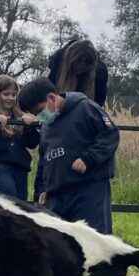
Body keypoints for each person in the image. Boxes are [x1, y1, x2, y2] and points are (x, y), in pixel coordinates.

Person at [19, 76, 119, 235]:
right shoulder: (46, 126)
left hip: (89, 190)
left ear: (52, 97)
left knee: (94, 240)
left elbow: (110, 135)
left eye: (39, 111)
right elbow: (44, 161)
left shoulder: (85, 108)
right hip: (58, 196)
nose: (40, 116)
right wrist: (42, 191)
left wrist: (89, 158)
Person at [0, 74, 39, 200]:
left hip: (19, 166)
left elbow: (32, 143)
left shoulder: (20, 115)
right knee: (9, 195)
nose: (10, 98)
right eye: (6, 94)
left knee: (21, 204)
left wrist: (28, 127)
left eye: (13, 94)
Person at [47, 38, 109, 107]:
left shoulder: (100, 71)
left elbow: (99, 101)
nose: (79, 73)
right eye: (77, 69)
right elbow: (47, 86)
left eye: (83, 71)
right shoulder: (57, 59)